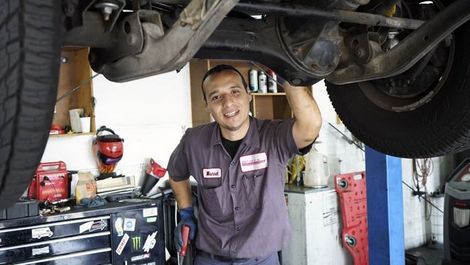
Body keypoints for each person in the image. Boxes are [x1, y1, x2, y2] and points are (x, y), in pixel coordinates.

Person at [167, 64, 322, 265]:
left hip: (262, 259)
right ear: (207, 105)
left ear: (249, 94)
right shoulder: (193, 141)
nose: (228, 103)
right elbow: (176, 174)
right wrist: (186, 213)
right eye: (216, 97)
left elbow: (310, 126)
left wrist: (288, 75)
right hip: (210, 258)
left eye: (235, 91)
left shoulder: (273, 137)